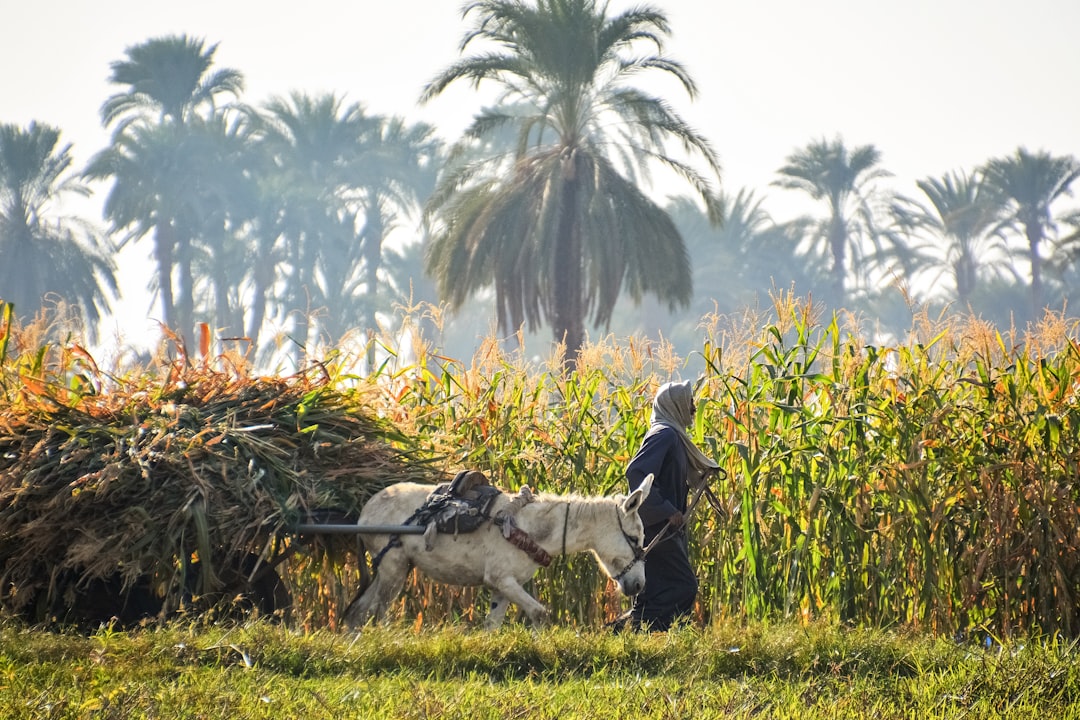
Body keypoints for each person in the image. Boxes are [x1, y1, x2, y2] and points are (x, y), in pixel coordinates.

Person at [613, 379, 718, 631]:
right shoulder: (665, 434)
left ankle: (634, 635)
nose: (693, 408)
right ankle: (653, 631)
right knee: (684, 585)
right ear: (675, 405)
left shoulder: (672, 435)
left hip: (664, 526)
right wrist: (666, 510)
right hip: (656, 527)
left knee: (656, 588)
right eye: (689, 402)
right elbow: (637, 473)